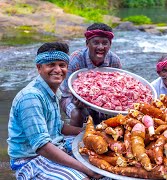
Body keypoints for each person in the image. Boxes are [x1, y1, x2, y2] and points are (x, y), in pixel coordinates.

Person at [7, 42, 102, 179]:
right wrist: (86, 169)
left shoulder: (52, 91)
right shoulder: (31, 97)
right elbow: (42, 146)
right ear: (39, 68)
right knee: (85, 176)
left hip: (57, 145)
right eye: (51, 65)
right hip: (32, 159)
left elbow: (57, 126)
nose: (58, 70)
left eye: (62, 65)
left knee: (103, 155)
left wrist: (90, 131)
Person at [60, 23, 122, 127]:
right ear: (87, 43)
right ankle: (72, 141)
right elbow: (66, 92)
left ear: (110, 45)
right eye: (96, 43)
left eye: (105, 43)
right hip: (73, 98)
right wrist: (77, 101)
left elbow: (119, 89)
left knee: (114, 117)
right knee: (77, 114)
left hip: (104, 99)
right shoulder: (75, 60)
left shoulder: (114, 61)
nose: (101, 47)